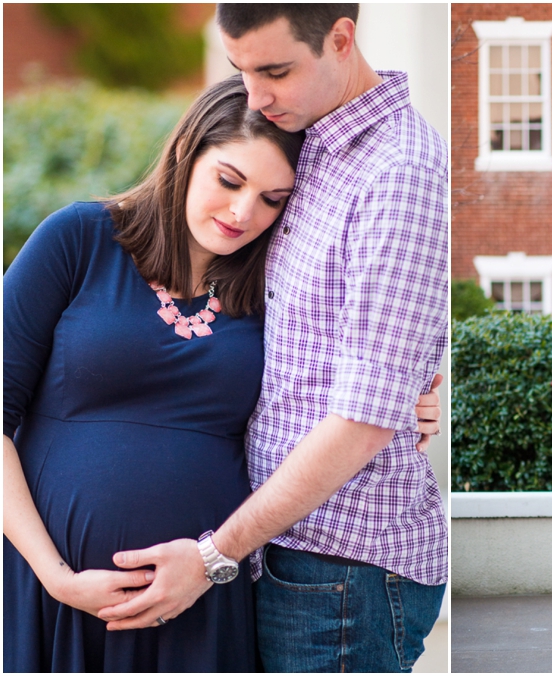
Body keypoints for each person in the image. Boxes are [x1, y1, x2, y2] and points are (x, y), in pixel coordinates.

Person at [3, 73, 439, 672]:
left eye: (272, 199)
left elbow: (331, 389)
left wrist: (409, 403)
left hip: (205, 598)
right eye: (229, 180)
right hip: (58, 593)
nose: (242, 212)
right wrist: (53, 576)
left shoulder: (271, 290)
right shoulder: (79, 239)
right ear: (187, 153)